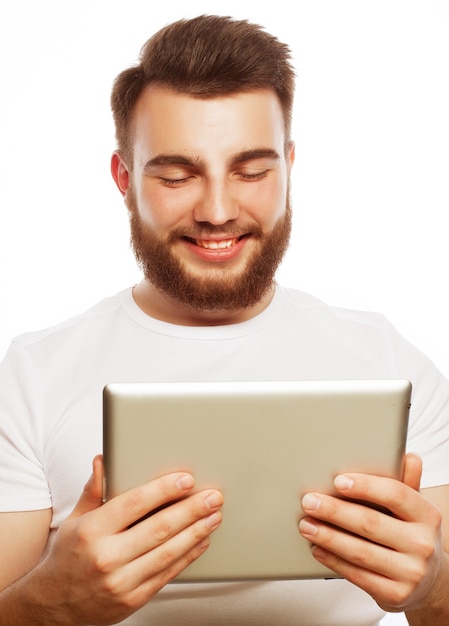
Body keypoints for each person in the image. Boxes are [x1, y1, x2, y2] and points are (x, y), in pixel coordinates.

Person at [0, 14, 448, 626]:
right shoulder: (29, 378)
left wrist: (431, 589)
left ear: (289, 168)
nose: (216, 210)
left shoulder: (391, 363)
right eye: (177, 176)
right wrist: (50, 603)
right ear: (125, 179)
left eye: (252, 171)